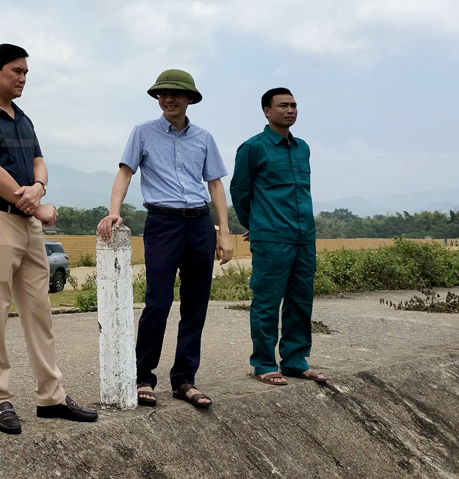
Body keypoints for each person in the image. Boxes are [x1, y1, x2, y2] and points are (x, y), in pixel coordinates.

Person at [0, 43, 98, 435]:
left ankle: (51, 395)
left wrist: (38, 187)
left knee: (39, 310)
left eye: (25, 73)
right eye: (16, 71)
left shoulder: (23, 118)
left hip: (27, 224)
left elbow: (39, 161)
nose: (22, 78)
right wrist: (37, 205)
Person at [97, 70, 232, 409]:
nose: (168, 99)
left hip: (200, 224)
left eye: (176, 94)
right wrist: (114, 210)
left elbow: (214, 184)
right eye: (162, 94)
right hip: (163, 223)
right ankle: (143, 377)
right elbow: (125, 172)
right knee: (158, 302)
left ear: (189, 99)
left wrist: (224, 231)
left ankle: (185, 379)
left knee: (195, 304)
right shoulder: (143, 133)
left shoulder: (203, 138)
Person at [230, 87, 328, 386]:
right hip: (271, 238)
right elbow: (240, 191)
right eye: (283, 105)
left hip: (303, 237)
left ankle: (296, 360)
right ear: (266, 111)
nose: (291, 110)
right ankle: (263, 363)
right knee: (267, 302)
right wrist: (256, 224)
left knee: (301, 301)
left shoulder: (303, 148)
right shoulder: (253, 147)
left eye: (294, 105)